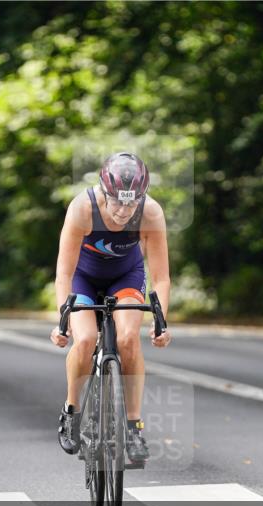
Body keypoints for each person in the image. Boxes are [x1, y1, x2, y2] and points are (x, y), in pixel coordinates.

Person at [49, 152, 172, 463]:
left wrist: (161, 321)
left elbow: (161, 278)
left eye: (132, 203)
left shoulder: (151, 213)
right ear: (103, 192)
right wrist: (62, 320)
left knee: (128, 338)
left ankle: (133, 426)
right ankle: (72, 411)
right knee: (86, 339)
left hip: (125, 276)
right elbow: (64, 272)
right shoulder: (82, 209)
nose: (123, 210)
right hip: (83, 277)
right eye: (117, 201)